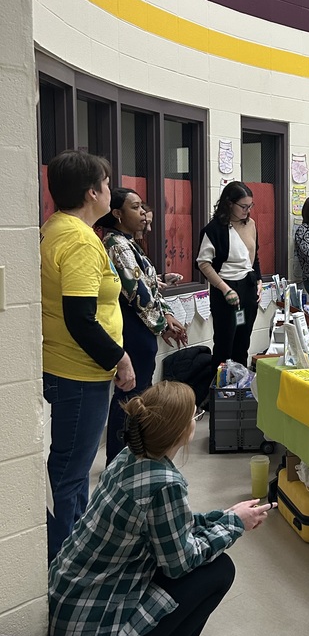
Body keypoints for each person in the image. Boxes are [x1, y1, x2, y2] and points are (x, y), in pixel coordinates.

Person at [48, 380, 272, 636]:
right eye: (194, 415)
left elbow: (169, 528)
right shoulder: (164, 483)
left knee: (197, 562)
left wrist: (221, 517)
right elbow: (180, 561)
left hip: (66, 615)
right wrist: (235, 525)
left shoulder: (129, 458)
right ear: (183, 431)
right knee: (218, 571)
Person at [40, 150, 136, 562]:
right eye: (106, 182)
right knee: (70, 473)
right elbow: (80, 317)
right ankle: (66, 565)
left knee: (69, 470)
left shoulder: (56, 228)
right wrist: (119, 358)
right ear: (92, 191)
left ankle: (71, 551)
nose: (110, 189)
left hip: (68, 368)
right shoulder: (79, 240)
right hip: (79, 374)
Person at [97, 188, 188, 464]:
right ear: (117, 213)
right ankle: (118, 458)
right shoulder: (116, 244)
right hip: (133, 329)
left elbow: (149, 285)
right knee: (130, 395)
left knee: (140, 392)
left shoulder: (129, 242)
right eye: (135, 208)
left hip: (143, 327)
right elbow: (138, 293)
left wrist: (167, 314)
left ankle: (133, 452)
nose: (143, 214)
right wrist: (163, 325)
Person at [197, 182, 262, 370]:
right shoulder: (214, 229)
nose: (247, 211)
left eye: (250, 206)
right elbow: (203, 263)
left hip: (248, 287)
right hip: (225, 288)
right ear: (229, 204)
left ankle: (239, 388)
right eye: (243, 206)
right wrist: (225, 289)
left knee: (243, 341)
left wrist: (258, 280)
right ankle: (220, 392)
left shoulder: (251, 224)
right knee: (225, 343)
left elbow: (254, 256)